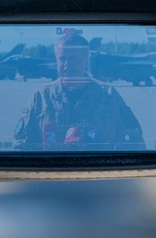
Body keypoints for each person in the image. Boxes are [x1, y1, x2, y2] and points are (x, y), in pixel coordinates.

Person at [13, 33, 145, 151]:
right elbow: (22, 144)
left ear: (86, 60)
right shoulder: (42, 97)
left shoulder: (109, 95)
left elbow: (134, 143)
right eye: (62, 58)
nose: (66, 64)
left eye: (73, 59)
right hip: (53, 173)